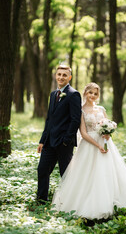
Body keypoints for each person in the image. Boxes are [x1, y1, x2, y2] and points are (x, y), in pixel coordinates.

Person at [52, 82, 126, 220]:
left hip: (105, 143)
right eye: (90, 92)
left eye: (95, 93)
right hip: (89, 145)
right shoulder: (80, 110)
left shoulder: (101, 109)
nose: (92, 96)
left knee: (108, 172)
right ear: (85, 93)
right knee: (88, 174)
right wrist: (97, 145)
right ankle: (88, 202)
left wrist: (108, 134)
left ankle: (113, 200)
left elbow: (107, 124)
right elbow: (83, 133)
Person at [37, 65, 81, 203]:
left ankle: (69, 202)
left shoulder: (74, 94)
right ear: (56, 76)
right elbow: (49, 119)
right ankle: (41, 200)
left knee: (66, 174)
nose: (61, 77)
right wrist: (42, 140)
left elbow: (75, 119)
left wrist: (67, 140)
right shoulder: (53, 94)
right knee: (42, 169)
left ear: (69, 77)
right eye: (59, 74)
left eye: (64, 75)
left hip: (63, 142)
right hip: (49, 141)